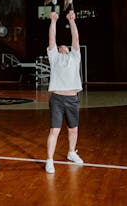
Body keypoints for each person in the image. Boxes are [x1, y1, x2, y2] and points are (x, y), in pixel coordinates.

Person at [45, 11, 83, 174]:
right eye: (60, 46)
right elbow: (52, 38)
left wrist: (71, 21)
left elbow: (75, 38)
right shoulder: (54, 58)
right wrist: (53, 20)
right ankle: (49, 160)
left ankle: (71, 152)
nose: (62, 46)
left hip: (72, 99)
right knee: (55, 130)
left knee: (73, 129)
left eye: (64, 45)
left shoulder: (75, 57)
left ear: (67, 49)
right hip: (57, 99)